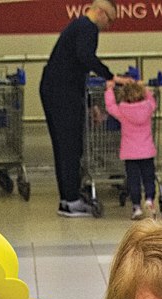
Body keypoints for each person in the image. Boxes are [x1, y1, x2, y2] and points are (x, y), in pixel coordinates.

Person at [41, 0, 116, 217]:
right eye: (110, 20)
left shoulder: (77, 27)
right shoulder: (88, 28)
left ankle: (67, 198)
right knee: (71, 146)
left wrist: (90, 104)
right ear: (101, 13)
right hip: (63, 92)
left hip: (55, 89)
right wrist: (110, 76)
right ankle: (72, 201)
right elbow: (86, 57)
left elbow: (79, 65)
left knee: (63, 146)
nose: (108, 26)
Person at [105, 78, 160, 219]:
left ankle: (136, 207)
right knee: (149, 178)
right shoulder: (148, 107)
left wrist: (109, 90)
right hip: (147, 152)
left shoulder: (122, 111)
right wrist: (145, 88)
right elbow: (153, 101)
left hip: (130, 153)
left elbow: (110, 107)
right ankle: (149, 200)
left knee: (133, 180)